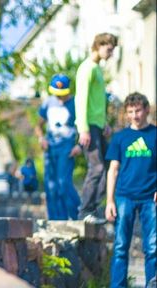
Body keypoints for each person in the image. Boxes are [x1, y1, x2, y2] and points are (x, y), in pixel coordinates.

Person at [105, 93, 156, 288]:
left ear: (147, 110)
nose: (135, 115)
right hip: (124, 196)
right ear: (126, 113)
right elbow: (113, 170)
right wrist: (110, 201)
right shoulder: (120, 137)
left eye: (138, 110)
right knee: (120, 247)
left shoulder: (155, 135)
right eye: (130, 112)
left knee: (152, 247)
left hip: (150, 198)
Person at [75, 32, 118, 224]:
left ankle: (91, 209)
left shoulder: (98, 70)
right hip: (89, 126)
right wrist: (83, 128)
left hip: (98, 125)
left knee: (111, 165)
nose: (110, 53)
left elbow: (97, 102)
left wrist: (105, 123)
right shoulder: (87, 68)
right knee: (97, 167)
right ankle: (85, 212)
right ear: (99, 46)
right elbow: (81, 98)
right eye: (109, 49)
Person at [35, 74, 81, 220]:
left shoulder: (75, 104)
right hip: (50, 148)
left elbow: (84, 126)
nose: (59, 97)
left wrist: (79, 145)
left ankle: (78, 214)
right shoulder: (48, 102)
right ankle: (56, 220)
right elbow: (38, 125)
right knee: (50, 185)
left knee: (63, 183)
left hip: (67, 149)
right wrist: (41, 138)